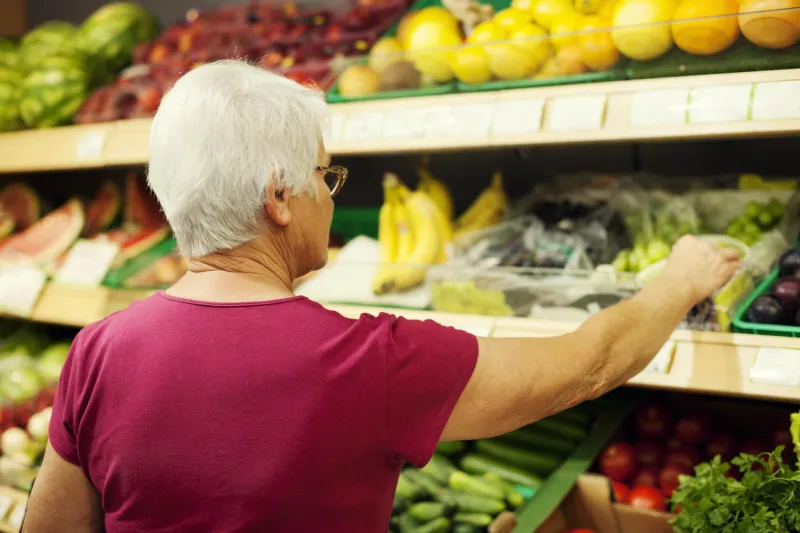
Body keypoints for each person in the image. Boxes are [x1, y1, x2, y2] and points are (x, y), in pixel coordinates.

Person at [22, 60, 739, 533]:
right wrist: (680, 278)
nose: (330, 204)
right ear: (279, 196)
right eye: (325, 180)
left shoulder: (98, 352)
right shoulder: (369, 362)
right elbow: (589, 362)